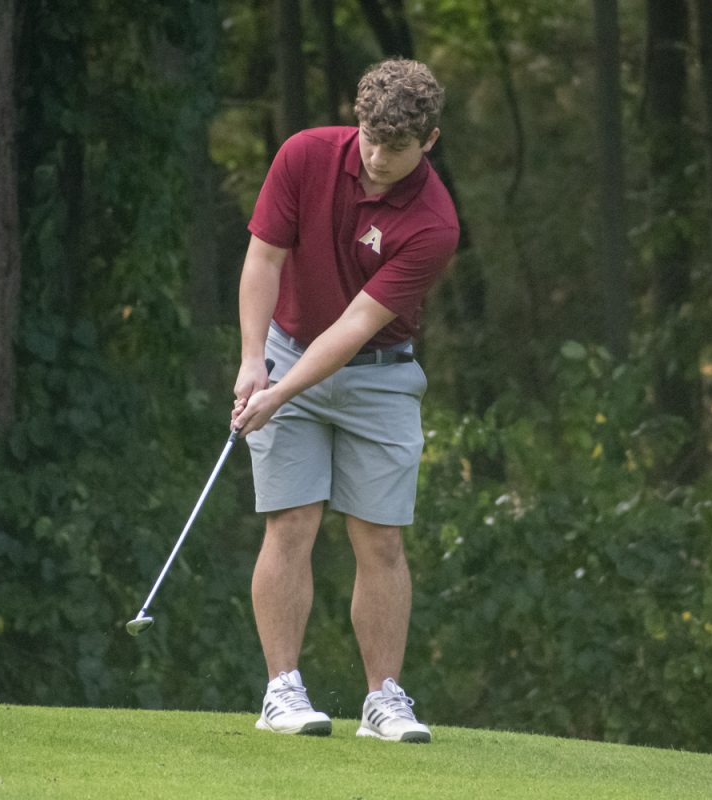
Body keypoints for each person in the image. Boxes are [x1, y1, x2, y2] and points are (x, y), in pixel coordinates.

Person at [230, 58, 458, 742]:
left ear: (431, 140)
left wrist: (277, 394)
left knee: (379, 537)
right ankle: (283, 692)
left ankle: (383, 700)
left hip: (379, 376)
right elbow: (264, 260)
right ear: (356, 120)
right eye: (370, 139)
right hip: (285, 349)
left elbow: (356, 326)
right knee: (291, 523)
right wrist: (251, 365)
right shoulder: (304, 156)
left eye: (398, 147)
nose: (379, 158)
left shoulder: (434, 223)